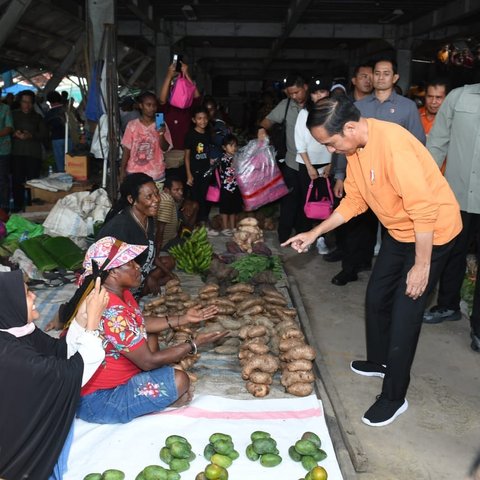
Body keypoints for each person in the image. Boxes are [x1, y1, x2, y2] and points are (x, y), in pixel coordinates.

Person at [282, 96, 461, 426]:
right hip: (399, 230)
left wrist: (422, 266)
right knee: (376, 297)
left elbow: (423, 210)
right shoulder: (357, 149)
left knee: (405, 313)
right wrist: (314, 232)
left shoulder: (394, 146)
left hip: (431, 236)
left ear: (349, 127)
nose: (331, 150)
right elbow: (354, 202)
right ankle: (379, 362)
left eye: (331, 143)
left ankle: (394, 396)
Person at [76, 237, 227, 424]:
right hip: (99, 401)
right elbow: (148, 362)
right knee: (180, 380)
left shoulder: (120, 294)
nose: (138, 267)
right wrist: (194, 344)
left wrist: (184, 319)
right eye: (130, 263)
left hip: (112, 382)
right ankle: (151, 400)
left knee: (152, 338)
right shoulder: (113, 311)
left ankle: (152, 392)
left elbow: (139, 322)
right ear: (114, 272)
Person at [0, 270, 108, 479]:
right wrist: (93, 326)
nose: (34, 296)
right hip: (17, 455)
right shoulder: (9, 355)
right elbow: (68, 374)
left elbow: (60, 352)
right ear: (10, 303)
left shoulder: (18, 331)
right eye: (26, 294)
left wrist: (82, 318)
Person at [328, 58, 426, 286]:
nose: (380, 77)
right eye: (377, 73)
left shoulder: (407, 107)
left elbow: (418, 144)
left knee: (396, 230)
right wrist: (340, 175)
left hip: (395, 182)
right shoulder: (359, 108)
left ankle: (394, 275)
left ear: (395, 78)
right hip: (362, 179)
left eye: (386, 73)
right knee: (355, 226)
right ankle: (350, 268)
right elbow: (343, 145)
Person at [423, 83, 480, 351]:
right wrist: (422, 186)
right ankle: (447, 305)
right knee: (450, 253)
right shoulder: (459, 97)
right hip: (455, 194)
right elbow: (437, 143)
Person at [97, 173, 175, 296]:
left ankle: (145, 285)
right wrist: (147, 278)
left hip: (137, 276)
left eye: (156, 194)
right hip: (117, 287)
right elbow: (110, 273)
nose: (156, 200)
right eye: (149, 197)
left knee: (169, 262)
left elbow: (150, 252)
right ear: (131, 200)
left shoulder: (147, 217)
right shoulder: (120, 228)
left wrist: (167, 274)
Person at [259, 72, 310, 242]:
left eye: (297, 92)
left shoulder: (317, 104)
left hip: (312, 165)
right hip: (291, 162)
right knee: (288, 201)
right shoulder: (286, 105)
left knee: (306, 202)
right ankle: (283, 236)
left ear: (305, 88)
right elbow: (268, 121)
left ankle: (303, 237)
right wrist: (261, 129)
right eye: (290, 93)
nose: (294, 96)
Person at [295, 75, 333, 236]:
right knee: (307, 200)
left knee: (326, 201)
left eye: (322, 92)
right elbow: (299, 141)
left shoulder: (334, 112)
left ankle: (322, 237)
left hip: (328, 164)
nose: (318, 96)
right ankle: (304, 235)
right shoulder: (304, 113)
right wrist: (309, 166)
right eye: (314, 93)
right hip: (307, 163)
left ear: (329, 93)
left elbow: (338, 139)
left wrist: (332, 164)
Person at [158, 60, 201, 182]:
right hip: (167, 156)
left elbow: (197, 97)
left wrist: (186, 74)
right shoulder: (164, 110)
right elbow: (161, 101)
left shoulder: (189, 110)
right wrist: (169, 76)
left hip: (187, 156)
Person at [120, 91, 172, 188]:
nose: (152, 108)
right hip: (134, 172)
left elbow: (165, 148)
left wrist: (161, 133)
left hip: (155, 173)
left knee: (154, 202)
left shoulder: (161, 123)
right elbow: (127, 150)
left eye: (154, 105)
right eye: (148, 105)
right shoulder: (132, 125)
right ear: (141, 105)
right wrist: (122, 170)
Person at [11, 90, 48, 210]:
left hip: (33, 154)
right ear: (20, 102)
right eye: (24, 102)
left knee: (33, 182)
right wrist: (14, 133)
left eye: (29, 102)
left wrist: (31, 135)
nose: (27, 105)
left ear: (33, 103)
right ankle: (18, 206)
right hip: (17, 153)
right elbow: (7, 128)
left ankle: (33, 206)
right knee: (17, 181)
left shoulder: (37, 117)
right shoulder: (13, 115)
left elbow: (44, 134)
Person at [184, 105, 216, 233]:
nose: (202, 121)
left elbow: (207, 151)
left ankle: (203, 220)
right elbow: (186, 157)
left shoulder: (208, 134)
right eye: (199, 118)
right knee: (196, 198)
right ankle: (195, 223)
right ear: (193, 120)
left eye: (205, 118)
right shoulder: (190, 135)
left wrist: (210, 161)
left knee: (205, 197)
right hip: (194, 171)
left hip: (206, 171)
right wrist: (189, 175)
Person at [156, 176, 198, 251]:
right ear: (166, 190)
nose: (181, 192)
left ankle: (187, 234)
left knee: (194, 205)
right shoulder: (167, 201)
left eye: (181, 189)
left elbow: (183, 200)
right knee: (198, 249)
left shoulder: (171, 197)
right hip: (166, 242)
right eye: (176, 190)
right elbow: (160, 230)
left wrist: (185, 202)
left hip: (173, 233)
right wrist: (156, 254)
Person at [218, 133, 243, 235]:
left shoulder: (236, 157)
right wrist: (234, 164)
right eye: (230, 145)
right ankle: (225, 228)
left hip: (235, 187)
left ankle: (232, 227)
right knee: (225, 210)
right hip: (226, 188)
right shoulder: (223, 159)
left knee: (233, 209)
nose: (233, 148)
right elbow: (227, 172)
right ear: (224, 147)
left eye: (235, 146)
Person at [44, 91, 69, 172]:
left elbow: (46, 126)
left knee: (59, 162)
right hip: (69, 138)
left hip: (56, 139)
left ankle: (62, 177)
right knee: (71, 161)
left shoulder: (49, 113)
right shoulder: (67, 110)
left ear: (49, 101)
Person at [0, 87, 14, 210]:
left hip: (3, 149)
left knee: (3, 178)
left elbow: (9, 127)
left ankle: (4, 207)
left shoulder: (5, 109)